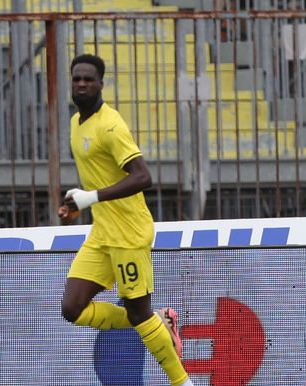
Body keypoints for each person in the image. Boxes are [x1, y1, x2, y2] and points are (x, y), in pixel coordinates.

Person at [59, 54, 193, 386]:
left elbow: (143, 176)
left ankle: (182, 383)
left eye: (88, 79)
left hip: (129, 233)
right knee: (72, 308)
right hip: (102, 233)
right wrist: (78, 205)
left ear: (101, 84)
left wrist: (91, 198)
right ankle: (158, 321)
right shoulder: (77, 125)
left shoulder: (111, 124)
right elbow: (99, 178)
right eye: (76, 78)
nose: (81, 84)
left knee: (137, 313)